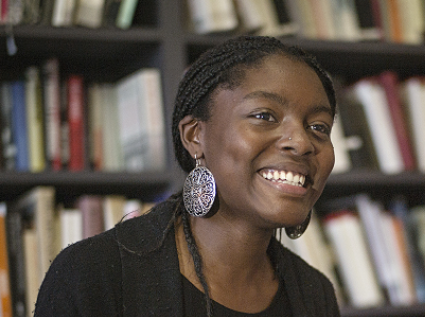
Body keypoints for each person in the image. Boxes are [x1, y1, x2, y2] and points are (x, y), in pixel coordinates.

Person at [35, 35, 341, 316]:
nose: (301, 143)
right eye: (264, 116)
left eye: (319, 127)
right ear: (195, 136)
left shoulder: (315, 294)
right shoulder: (93, 275)